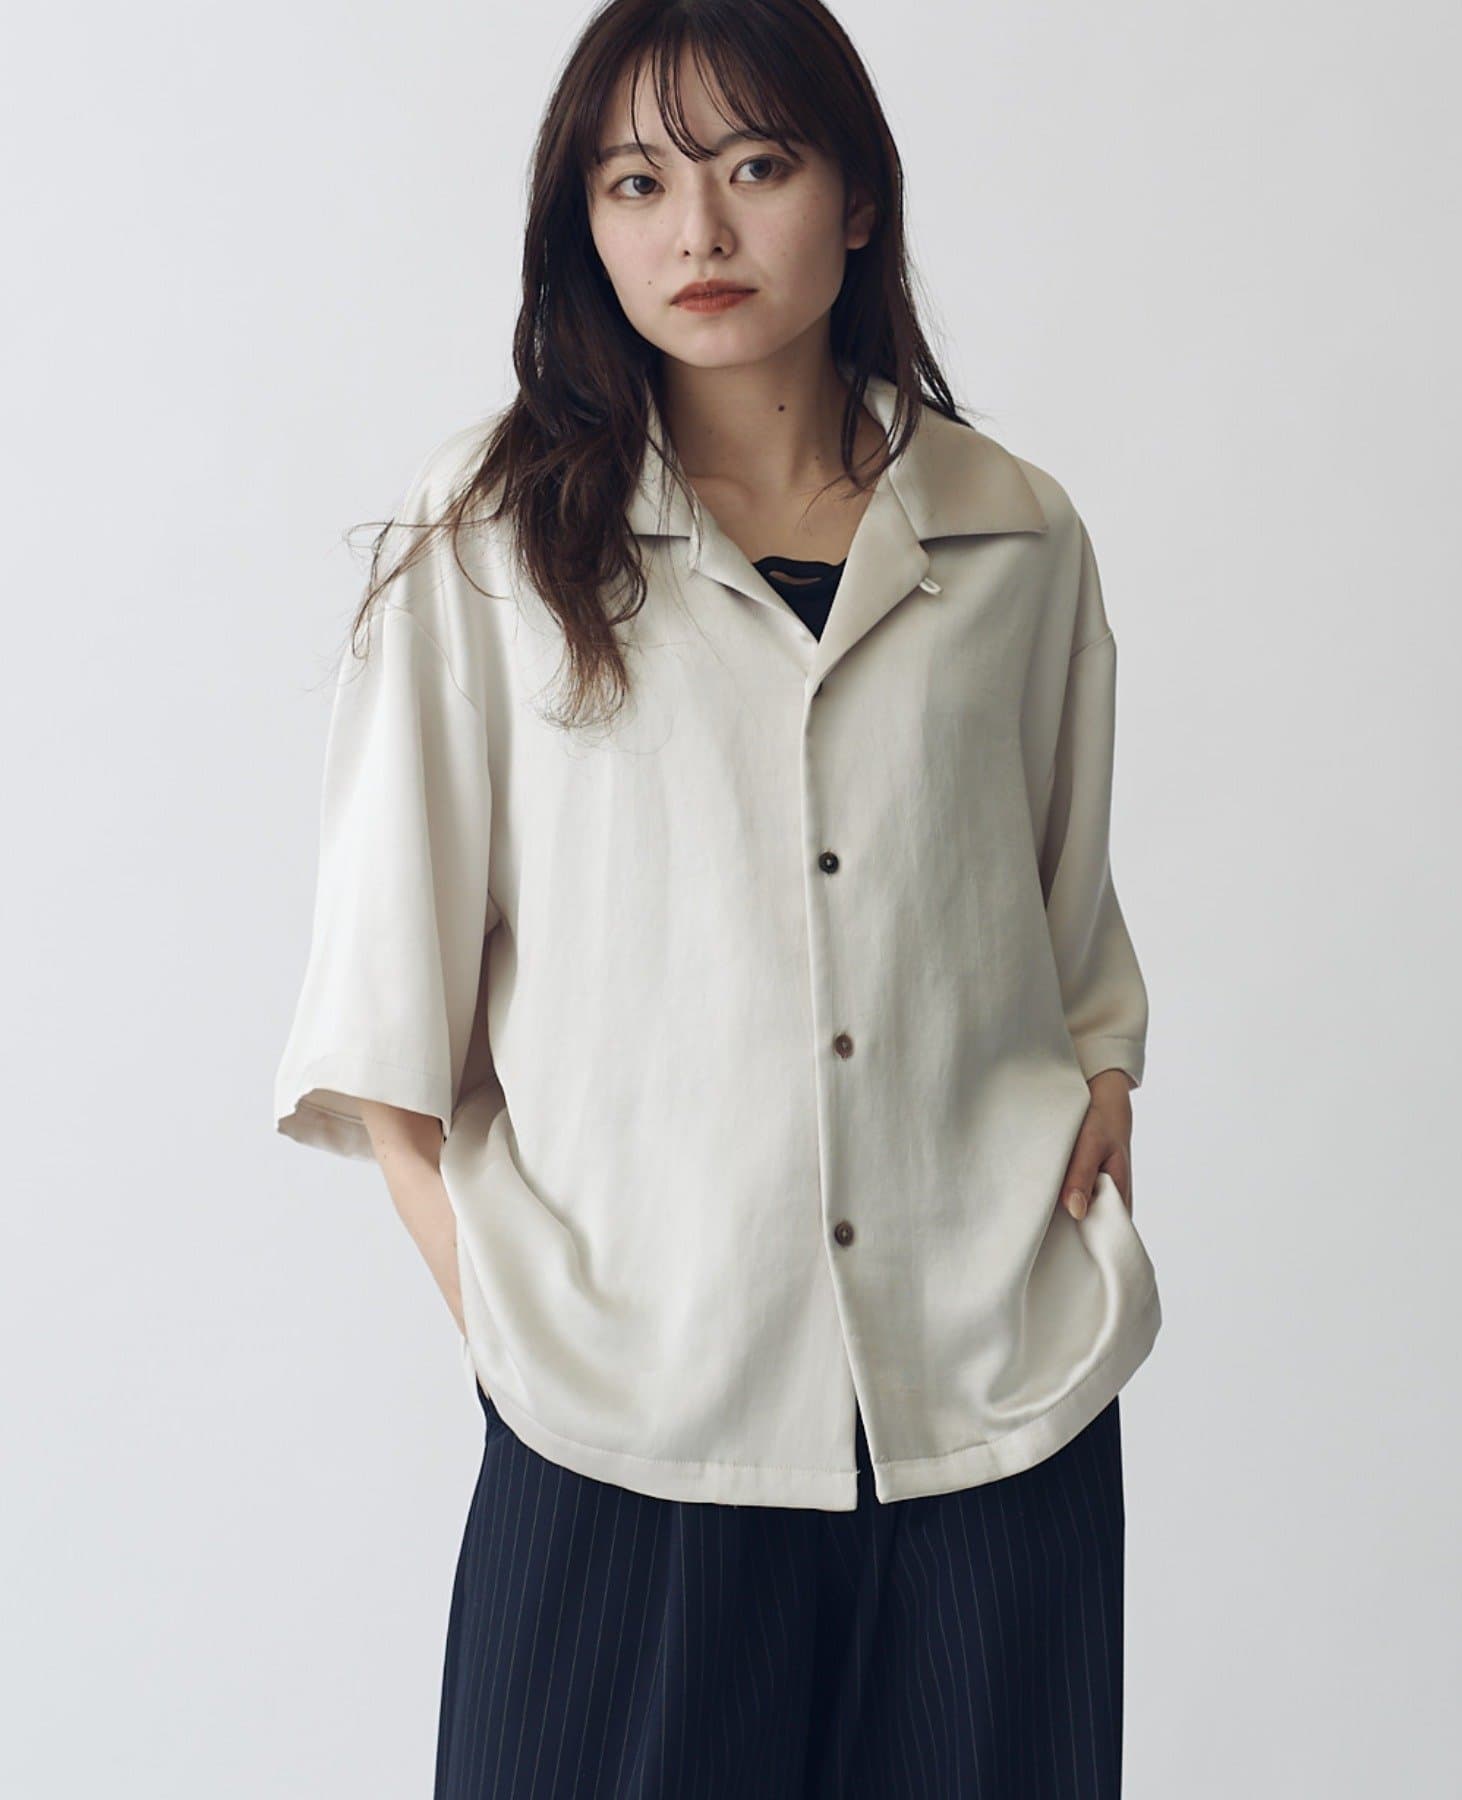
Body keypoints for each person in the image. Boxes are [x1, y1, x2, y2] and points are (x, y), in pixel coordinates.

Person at [273, 1, 1162, 1793]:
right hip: (631, 1427)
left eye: (758, 166)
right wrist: (532, 1342)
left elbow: (1066, 928)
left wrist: (1107, 1080)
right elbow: (384, 1031)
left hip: (992, 1418)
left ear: (856, 200)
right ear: (584, 224)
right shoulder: (492, 541)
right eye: (637, 182)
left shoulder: (1016, 534)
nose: (699, 230)